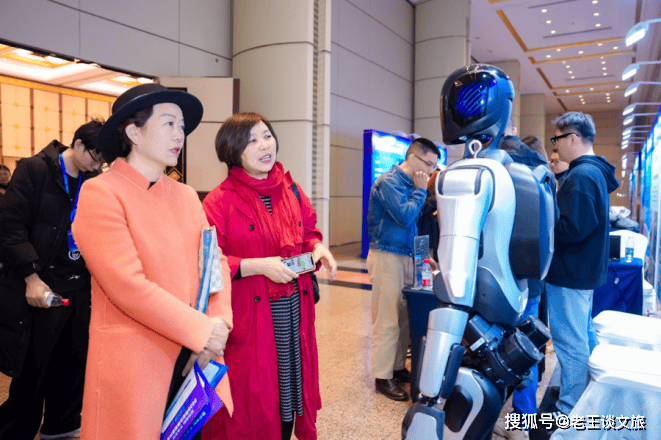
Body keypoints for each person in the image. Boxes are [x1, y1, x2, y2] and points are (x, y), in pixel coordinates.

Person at [70, 83, 233, 439]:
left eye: (182, 126)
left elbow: (214, 261)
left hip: (193, 355)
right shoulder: (102, 193)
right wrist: (202, 331)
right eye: (168, 123)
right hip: (136, 360)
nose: (179, 134)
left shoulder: (185, 195)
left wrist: (219, 323)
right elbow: (127, 286)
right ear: (134, 132)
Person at [201, 112, 337, 440]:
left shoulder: (291, 190)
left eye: (267, 136)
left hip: (294, 312)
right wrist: (258, 266)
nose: (265, 145)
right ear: (233, 151)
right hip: (251, 315)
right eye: (252, 140)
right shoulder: (218, 201)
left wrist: (317, 247)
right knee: (254, 395)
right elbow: (207, 262)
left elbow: (308, 230)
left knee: (289, 389)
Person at [0, 119, 105, 440]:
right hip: (42, 287)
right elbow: (10, 227)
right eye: (95, 156)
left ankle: (62, 428)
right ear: (78, 145)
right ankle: (15, 431)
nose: (98, 165)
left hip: (80, 287)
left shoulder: (93, 180)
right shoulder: (35, 170)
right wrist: (31, 277)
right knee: (34, 369)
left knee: (73, 365)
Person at [544, 112, 618, 422]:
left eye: (557, 139)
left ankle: (570, 408)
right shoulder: (595, 171)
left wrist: (545, 220)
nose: (556, 146)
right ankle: (588, 394)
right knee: (583, 335)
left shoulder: (581, 175)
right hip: (582, 271)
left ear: (572, 138)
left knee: (570, 342)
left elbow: (573, 228)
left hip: (569, 272)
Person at [367, 137, 440, 401]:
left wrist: (423, 256)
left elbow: (414, 227)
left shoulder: (410, 185)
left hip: (408, 256)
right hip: (387, 255)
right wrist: (421, 191)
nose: (431, 171)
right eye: (428, 164)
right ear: (413, 158)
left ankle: (397, 368)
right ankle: (382, 376)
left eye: (434, 166)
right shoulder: (389, 183)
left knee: (404, 317)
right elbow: (404, 216)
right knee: (387, 318)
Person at [495, 127, 554, 440]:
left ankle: (511, 418)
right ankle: (523, 419)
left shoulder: (505, 172)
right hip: (534, 277)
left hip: (504, 277)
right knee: (525, 349)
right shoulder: (544, 175)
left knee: (500, 347)